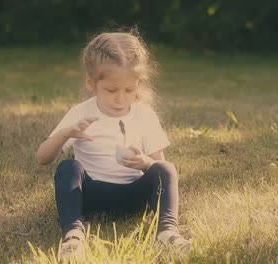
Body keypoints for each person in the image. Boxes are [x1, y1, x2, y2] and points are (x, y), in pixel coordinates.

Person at [36, 29, 191, 259]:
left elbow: (159, 167)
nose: (121, 98)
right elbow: (42, 157)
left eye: (130, 89)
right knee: (68, 168)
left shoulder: (144, 116)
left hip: (133, 197)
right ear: (92, 83)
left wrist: (144, 162)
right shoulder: (81, 113)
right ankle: (74, 235)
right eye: (111, 90)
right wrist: (66, 133)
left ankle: (168, 231)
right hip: (91, 196)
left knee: (167, 169)